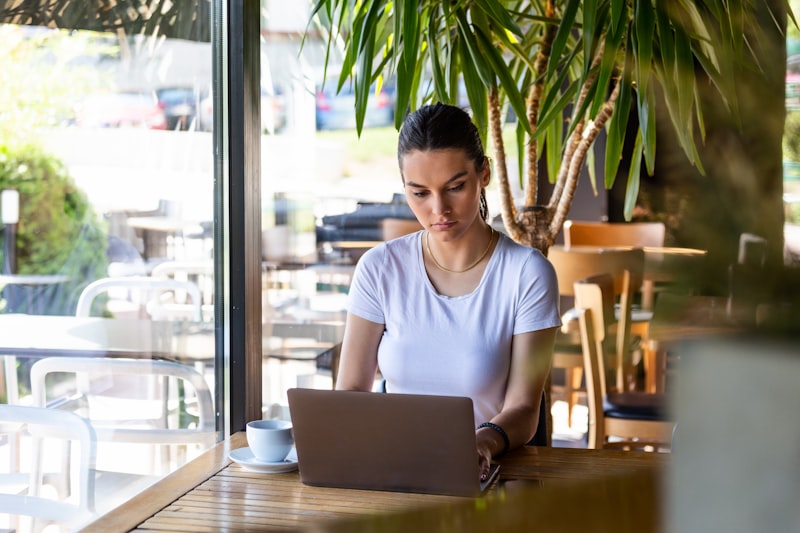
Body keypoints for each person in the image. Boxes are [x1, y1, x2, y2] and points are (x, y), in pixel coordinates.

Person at [335, 102, 561, 481]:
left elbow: (524, 408)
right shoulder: (379, 269)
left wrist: (480, 444)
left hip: (489, 474)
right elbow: (352, 391)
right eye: (419, 193)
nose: (439, 209)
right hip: (394, 470)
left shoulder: (527, 274)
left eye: (455, 187)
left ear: (483, 173)